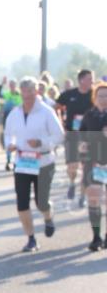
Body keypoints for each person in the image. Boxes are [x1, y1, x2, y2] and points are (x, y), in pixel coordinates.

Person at [3, 77, 65, 253]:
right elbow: (8, 134)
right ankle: (31, 239)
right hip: (22, 162)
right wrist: (10, 145)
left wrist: (41, 143)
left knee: (41, 202)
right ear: (21, 93)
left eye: (30, 91)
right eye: (24, 92)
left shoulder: (46, 112)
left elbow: (59, 136)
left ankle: (47, 216)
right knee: (22, 203)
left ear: (36, 91)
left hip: (44, 161)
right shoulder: (15, 113)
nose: (27, 95)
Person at [57, 69, 95, 205]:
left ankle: (82, 197)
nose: (92, 81)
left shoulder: (94, 95)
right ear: (81, 80)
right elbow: (56, 106)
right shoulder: (69, 94)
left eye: (93, 79)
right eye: (90, 79)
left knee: (86, 167)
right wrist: (60, 121)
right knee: (72, 166)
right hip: (72, 134)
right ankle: (72, 183)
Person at [78, 82, 107, 251]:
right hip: (94, 163)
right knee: (94, 198)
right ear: (95, 98)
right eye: (100, 95)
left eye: (106, 95)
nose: (104, 98)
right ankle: (96, 237)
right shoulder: (89, 116)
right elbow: (81, 138)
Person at [0, 77, 23, 171]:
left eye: (13, 85)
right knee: (8, 139)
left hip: (18, 119)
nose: (12, 86)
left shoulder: (20, 95)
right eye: (10, 85)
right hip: (7, 119)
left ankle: (18, 159)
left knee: (18, 139)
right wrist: (2, 84)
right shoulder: (7, 94)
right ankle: (8, 161)